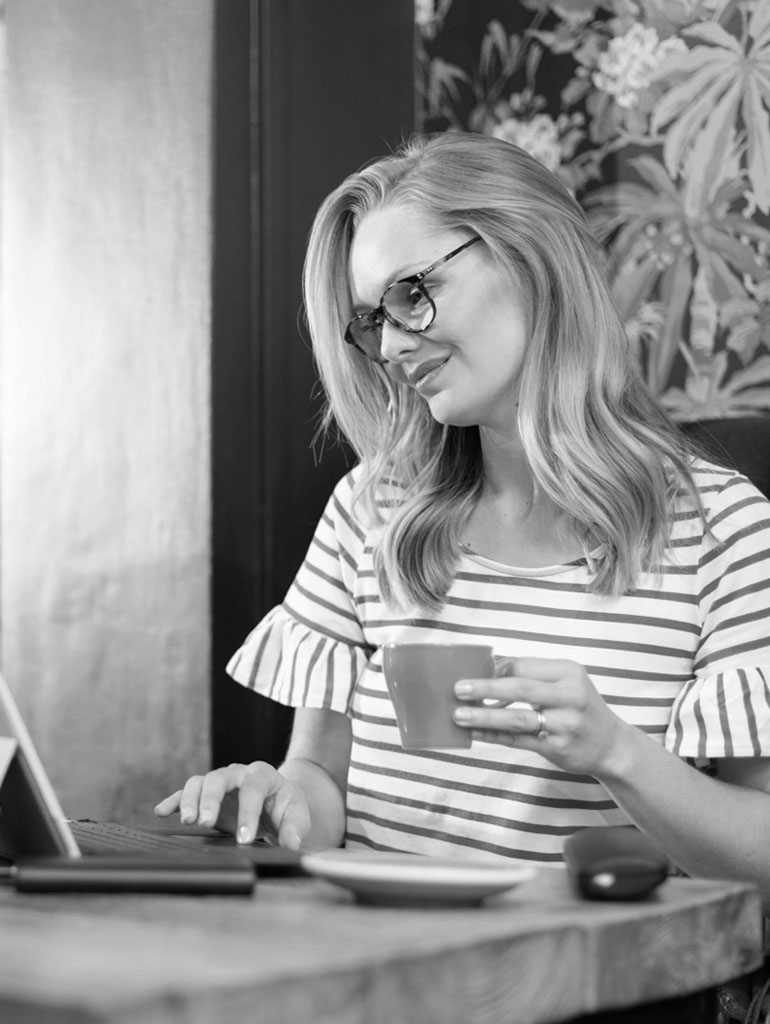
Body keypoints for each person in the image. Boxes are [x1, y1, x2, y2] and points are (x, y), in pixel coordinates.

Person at [155, 132, 770, 907]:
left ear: (528, 251)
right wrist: (274, 802)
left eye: (413, 293)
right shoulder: (370, 507)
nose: (392, 346)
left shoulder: (726, 533)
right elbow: (320, 781)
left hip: (586, 984)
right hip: (376, 969)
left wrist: (616, 752)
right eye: (372, 320)